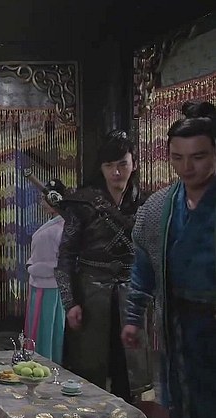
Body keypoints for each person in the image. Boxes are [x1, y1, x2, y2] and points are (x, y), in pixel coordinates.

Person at [122, 101, 216, 418]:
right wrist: (133, 317)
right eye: (178, 158)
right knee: (186, 407)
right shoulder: (160, 206)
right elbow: (143, 266)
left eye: (198, 157)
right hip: (179, 322)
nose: (187, 167)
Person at [54, 130, 150, 400]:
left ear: (134, 164)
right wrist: (70, 302)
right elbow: (65, 256)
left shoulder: (145, 204)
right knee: (88, 374)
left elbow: (152, 256)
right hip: (90, 293)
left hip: (132, 294)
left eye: (122, 164)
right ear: (101, 168)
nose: (116, 172)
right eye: (109, 165)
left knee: (128, 374)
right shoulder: (83, 203)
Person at [24, 178, 67, 364]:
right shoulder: (54, 224)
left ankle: (46, 363)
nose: (42, 202)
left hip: (48, 284)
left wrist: (33, 268)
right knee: (41, 326)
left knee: (46, 328)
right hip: (40, 281)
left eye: (45, 198)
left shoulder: (62, 226)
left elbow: (60, 262)